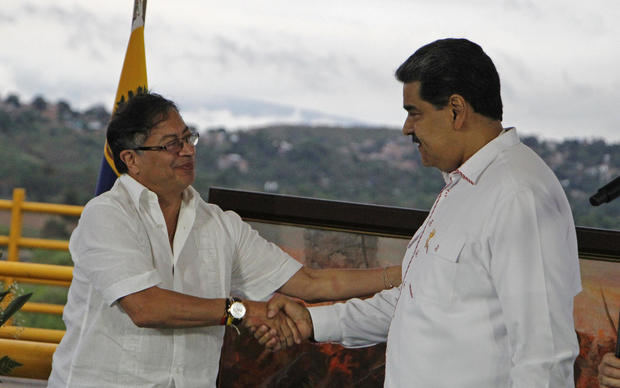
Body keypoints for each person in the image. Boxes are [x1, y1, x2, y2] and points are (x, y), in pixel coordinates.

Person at [255, 38, 582, 387]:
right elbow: (415, 301)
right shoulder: (466, 186)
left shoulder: (518, 195)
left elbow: (544, 359)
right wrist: (314, 322)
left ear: (456, 110)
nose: (407, 128)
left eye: (415, 112)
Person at [47, 92, 401, 387]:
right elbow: (145, 307)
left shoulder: (218, 224)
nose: (187, 151)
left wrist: (404, 272)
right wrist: (241, 311)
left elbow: (310, 282)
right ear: (131, 160)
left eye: (188, 138)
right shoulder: (107, 214)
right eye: (171, 144)